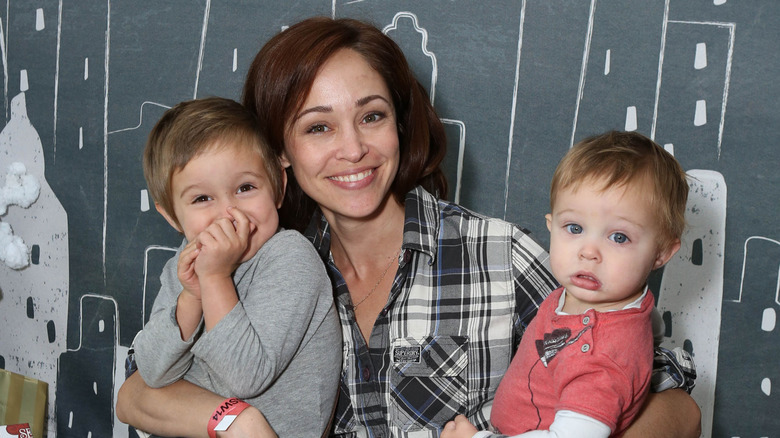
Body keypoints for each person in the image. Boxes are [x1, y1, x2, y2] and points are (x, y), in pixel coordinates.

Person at [116, 17, 701, 438]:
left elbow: (674, 401)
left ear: (400, 123)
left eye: (372, 116)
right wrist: (235, 419)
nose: (353, 149)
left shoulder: (497, 255)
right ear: (278, 156)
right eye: (318, 128)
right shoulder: (252, 268)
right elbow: (138, 393)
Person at [441, 131, 689, 438]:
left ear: (661, 253)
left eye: (619, 237)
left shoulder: (600, 359)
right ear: (551, 225)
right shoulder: (591, 298)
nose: (588, 251)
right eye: (574, 228)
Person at [127, 96, 341, 437]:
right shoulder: (181, 266)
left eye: (245, 188)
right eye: (202, 198)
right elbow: (152, 372)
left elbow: (245, 377)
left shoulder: (290, 257)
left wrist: (214, 278)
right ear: (171, 216)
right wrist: (191, 298)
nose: (229, 212)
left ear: (278, 188)